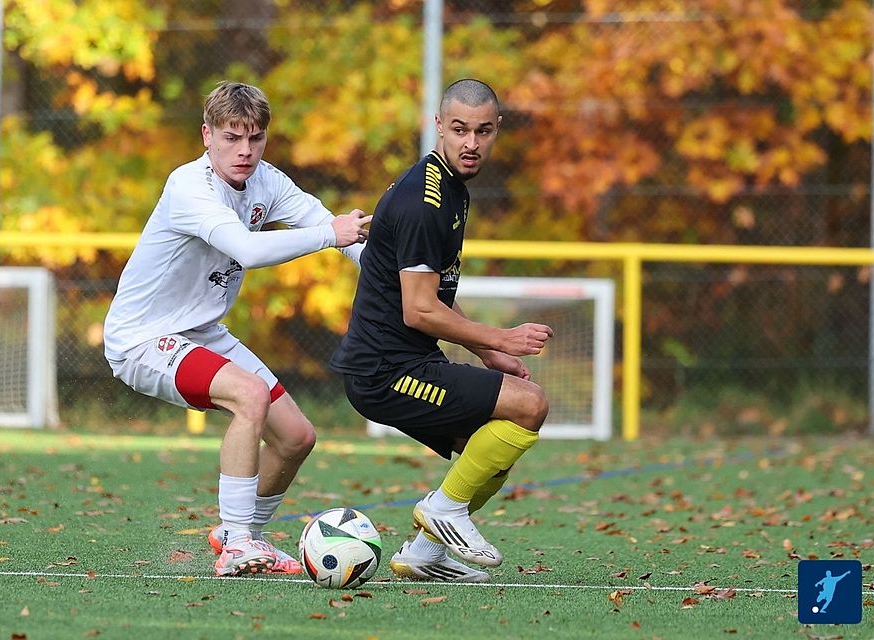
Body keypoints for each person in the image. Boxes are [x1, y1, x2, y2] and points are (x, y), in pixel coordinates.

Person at [103, 81, 371, 577]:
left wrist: (389, 278)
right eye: (231, 137)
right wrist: (331, 235)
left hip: (202, 331)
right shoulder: (188, 186)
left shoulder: (267, 181)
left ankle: (242, 536)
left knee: (296, 437)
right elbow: (250, 248)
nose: (244, 151)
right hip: (142, 337)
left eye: (255, 138)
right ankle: (238, 543)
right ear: (207, 135)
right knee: (250, 396)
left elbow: (333, 228)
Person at [329, 79, 553, 583]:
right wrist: (501, 339)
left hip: (408, 361)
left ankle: (424, 554)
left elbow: (428, 303)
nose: (471, 142)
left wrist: (483, 352)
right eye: (459, 130)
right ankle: (443, 513)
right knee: (528, 404)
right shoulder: (424, 201)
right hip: (385, 371)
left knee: (493, 445)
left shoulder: (450, 187)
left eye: (482, 131)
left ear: (496, 131)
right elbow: (420, 311)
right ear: (438, 126)